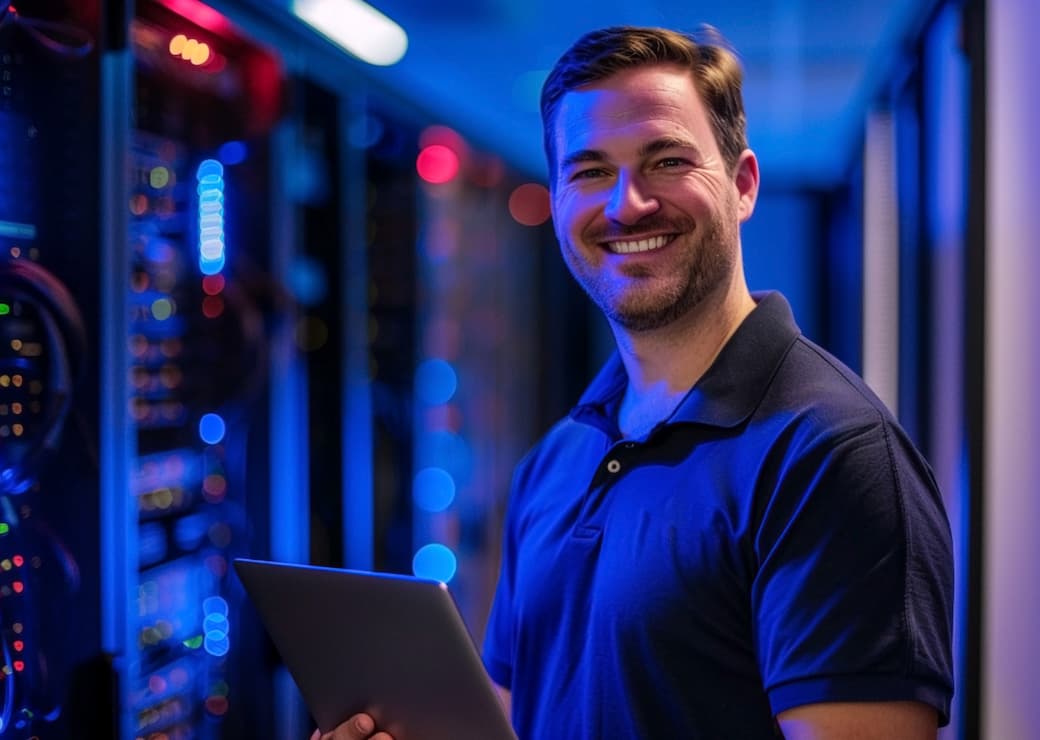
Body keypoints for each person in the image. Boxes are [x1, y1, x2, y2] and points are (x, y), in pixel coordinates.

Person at [316, 25, 954, 739]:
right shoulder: (557, 459)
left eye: (666, 160)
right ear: (557, 201)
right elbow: (513, 718)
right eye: (589, 171)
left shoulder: (834, 456)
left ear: (742, 184)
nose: (626, 204)